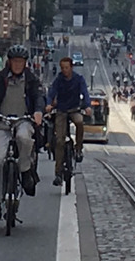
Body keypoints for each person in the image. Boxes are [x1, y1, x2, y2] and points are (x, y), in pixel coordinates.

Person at [0, 45, 43, 219]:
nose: (17, 65)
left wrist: (38, 111)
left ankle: (24, 170)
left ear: (25, 63)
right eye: (15, 61)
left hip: (23, 121)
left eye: (21, 61)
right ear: (9, 62)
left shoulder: (31, 80)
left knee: (24, 138)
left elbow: (39, 97)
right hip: (1, 123)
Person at [46, 56, 91, 186]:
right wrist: (49, 104)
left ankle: (78, 148)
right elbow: (51, 93)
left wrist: (87, 106)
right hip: (61, 110)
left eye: (67, 67)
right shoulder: (58, 80)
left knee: (79, 122)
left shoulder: (78, 79)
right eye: (63, 68)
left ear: (71, 67)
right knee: (59, 141)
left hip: (75, 109)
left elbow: (85, 93)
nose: (65, 70)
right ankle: (58, 173)